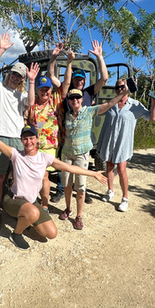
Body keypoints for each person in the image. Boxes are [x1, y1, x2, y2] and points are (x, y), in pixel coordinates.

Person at [0, 108, 108, 250]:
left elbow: (69, 168)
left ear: (37, 139)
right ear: (21, 140)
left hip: (31, 202)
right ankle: (16, 233)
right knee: (32, 213)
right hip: (13, 199)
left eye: (31, 138)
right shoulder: (16, 155)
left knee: (51, 233)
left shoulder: (45, 158)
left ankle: (25, 217)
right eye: (25, 138)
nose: (28, 141)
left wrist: (93, 173)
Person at [0, 33, 39, 232]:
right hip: (0, 137)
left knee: (20, 178)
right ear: (9, 74)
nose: (15, 77)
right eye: (14, 74)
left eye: (20, 76)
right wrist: (1, 49)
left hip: (18, 139)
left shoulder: (22, 94)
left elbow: (31, 103)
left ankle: (20, 212)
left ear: (22, 79)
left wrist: (32, 81)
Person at [59, 82, 130, 230]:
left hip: (81, 155)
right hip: (66, 153)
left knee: (80, 187)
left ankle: (79, 216)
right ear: (70, 100)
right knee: (67, 184)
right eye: (72, 98)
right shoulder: (67, 114)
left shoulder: (90, 111)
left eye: (77, 97)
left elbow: (110, 104)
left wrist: (123, 93)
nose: (75, 100)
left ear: (81, 99)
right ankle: (68, 208)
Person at [47, 40, 109, 204]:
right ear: (72, 79)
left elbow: (104, 78)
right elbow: (51, 75)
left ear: (85, 80)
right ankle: (61, 189)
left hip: (82, 137)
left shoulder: (89, 92)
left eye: (82, 78)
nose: (80, 81)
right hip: (65, 134)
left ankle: (82, 190)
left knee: (81, 167)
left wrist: (99, 57)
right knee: (63, 166)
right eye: (77, 78)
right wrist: (55, 58)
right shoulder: (66, 90)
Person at [97, 80, 155, 212]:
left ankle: (125, 198)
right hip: (110, 141)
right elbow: (97, 110)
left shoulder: (135, 105)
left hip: (123, 143)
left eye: (123, 86)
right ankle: (110, 191)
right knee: (109, 165)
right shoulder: (111, 103)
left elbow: (151, 117)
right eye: (117, 87)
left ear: (128, 88)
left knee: (121, 169)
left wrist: (154, 102)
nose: (120, 89)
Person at [24, 43, 73, 211]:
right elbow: (27, 121)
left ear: (51, 91)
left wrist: (67, 62)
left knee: (44, 175)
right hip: (34, 146)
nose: (45, 92)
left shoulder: (56, 101)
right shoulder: (33, 104)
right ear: (38, 90)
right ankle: (31, 200)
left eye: (47, 89)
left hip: (50, 147)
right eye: (42, 89)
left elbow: (66, 82)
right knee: (34, 175)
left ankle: (44, 204)